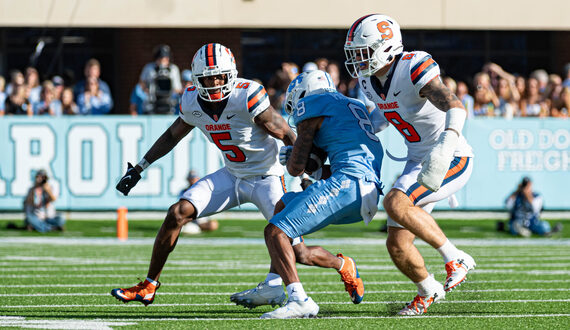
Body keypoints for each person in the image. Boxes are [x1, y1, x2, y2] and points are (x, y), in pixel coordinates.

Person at [111, 43, 360, 308]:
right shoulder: (192, 99)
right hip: (233, 175)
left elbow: (286, 133)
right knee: (177, 212)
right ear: (197, 78)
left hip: (269, 177)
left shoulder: (247, 97)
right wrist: (140, 167)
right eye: (208, 76)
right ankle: (149, 285)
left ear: (231, 73)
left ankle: (341, 264)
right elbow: (173, 135)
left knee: (298, 251)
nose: (215, 82)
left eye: (220, 75)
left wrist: (306, 172)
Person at [344, 14, 476, 315]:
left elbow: (454, 104)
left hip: (451, 155)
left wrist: (446, 144)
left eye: (363, 52)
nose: (358, 60)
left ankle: (455, 257)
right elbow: (382, 117)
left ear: (386, 46)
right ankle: (428, 290)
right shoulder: (369, 81)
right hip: (418, 160)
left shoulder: (412, 67)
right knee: (397, 244)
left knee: (395, 202)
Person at [260, 70, 384, 319]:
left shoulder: (313, 103)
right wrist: (304, 160)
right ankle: (280, 282)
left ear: (303, 94)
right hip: (366, 188)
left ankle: (299, 300)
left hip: (350, 184)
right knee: (284, 208)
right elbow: (317, 168)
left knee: (275, 231)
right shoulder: (351, 104)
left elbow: (296, 169)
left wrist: (291, 154)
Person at [139, 44, 182, 114]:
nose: (163, 61)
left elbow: (177, 89)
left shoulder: (174, 69)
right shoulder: (149, 68)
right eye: (160, 59)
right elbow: (141, 82)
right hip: (152, 104)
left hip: (169, 105)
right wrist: (146, 90)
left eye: (165, 59)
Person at [177, 170, 219, 234]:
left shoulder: (203, 190)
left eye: (194, 178)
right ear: (188, 179)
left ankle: (195, 228)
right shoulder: (184, 191)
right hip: (189, 217)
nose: (193, 180)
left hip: (200, 218)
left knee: (213, 224)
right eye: (191, 178)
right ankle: (193, 227)